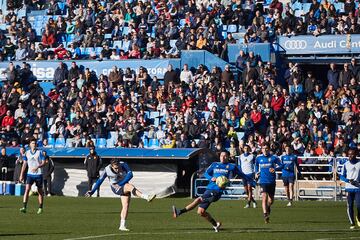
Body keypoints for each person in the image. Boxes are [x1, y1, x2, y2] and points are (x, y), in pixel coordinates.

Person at [172, 151, 254, 232]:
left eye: (225, 156)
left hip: (217, 191)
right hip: (209, 188)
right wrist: (210, 178)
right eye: (221, 155)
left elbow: (243, 175)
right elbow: (206, 173)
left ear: (228, 157)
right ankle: (216, 225)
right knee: (201, 212)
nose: (223, 157)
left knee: (198, 200)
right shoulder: (214, 165)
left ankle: (180, 212)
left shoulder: (231, 166)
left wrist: (253, 182)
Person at [85, 158, 156, 231]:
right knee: (130, 186)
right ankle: (147, 197)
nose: (117, 169)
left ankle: (122, 225)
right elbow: (100, 181)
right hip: (115, 186)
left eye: (118, 167)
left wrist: (121, 183)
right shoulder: (107, 170)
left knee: (126, 206)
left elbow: (130, 174)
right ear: (111, 166)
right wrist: (92, 191)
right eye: (115, 168)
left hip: (122, 184)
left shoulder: (124, 164)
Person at [255, 143, 283, 224]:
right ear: (261, 149)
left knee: (271, 200)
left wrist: (275, 169)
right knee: (264, 197)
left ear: (269, 149)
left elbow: (281, 165)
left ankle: (268, 207)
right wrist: (256, 172)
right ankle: (265, 215)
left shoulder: (274, 158)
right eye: (263, 148)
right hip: (263, 181)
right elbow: (256, 165)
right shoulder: (259, 158)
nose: (265, 150)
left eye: (266, 148)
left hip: (271, 181)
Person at [19, 138, 46, 214]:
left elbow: (44, 162)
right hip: (30, 174)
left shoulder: (39, 152)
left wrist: (37, 167)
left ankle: (40, 207)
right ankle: (24, 207)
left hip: (38, 174)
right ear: (30, 145)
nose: (34, 145)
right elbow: (24, 164)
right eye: (32, 143)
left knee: (40, 191)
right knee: (27, 189)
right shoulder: (27, 153)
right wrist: (21, 174)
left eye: (35, 143)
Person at [340, 149, 360, 229]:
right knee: (350, 205)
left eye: (352, 154)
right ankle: (352, 223)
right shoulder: (346, 164)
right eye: (349, 154)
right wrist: (348, 180)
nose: (350, 156)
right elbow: (341, 176)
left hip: (358, 188)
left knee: (359, 205)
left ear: (356, 154)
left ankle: (358, 217)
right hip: (349, 188)